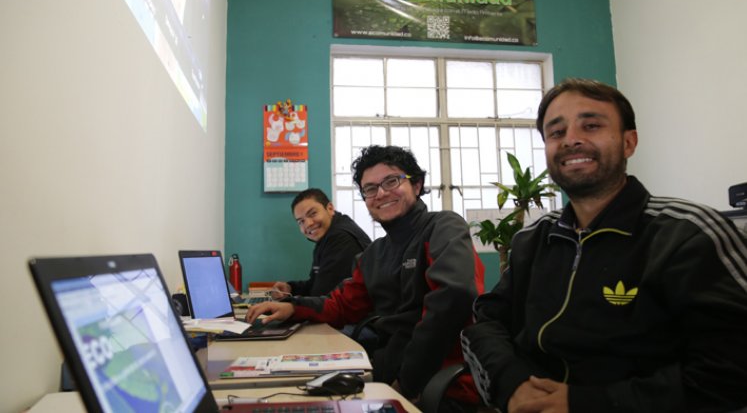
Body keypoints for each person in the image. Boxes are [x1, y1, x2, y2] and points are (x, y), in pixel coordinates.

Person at [460, 78, 747, 412]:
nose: (571, 140)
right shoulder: (534, 239)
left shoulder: (687, 235)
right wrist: (513, 384)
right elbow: (486, 324)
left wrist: (585, 403)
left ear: (629, 142)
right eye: (556, 132)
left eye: (592, 125)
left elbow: (732, 370)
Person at [247, 145, 485, 408]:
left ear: (416, 185)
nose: (381, 193)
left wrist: (406, 383)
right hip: (385, 371)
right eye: (370, 189)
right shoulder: (375, 253)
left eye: (391, 181)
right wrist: (291, 307)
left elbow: (454, 298)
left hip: (439, 388)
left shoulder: (443, 227)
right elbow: (342, 304)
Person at [270, 188, 371, 299]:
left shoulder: (340, 238)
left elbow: (322, 297)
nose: (308, 224)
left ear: (330, 208)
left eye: (312, 214)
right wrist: (290, 288)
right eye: (301, 221)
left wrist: (290, 307)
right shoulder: (327, 236)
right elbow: (316, 285)